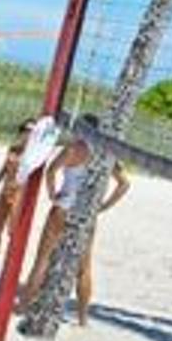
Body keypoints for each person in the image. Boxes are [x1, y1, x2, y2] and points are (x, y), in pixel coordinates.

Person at [15, 118, 130, 327]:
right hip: (86, 213)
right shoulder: (106, 154)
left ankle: (23, 307)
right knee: (83, 268)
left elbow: (51, 171)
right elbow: (124, 184)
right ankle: (82, 319)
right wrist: (103, 206)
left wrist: (52, 194)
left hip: (63, 207)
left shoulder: (72, 149)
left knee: (43, 259)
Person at [0, 119, 35, 273]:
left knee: (13, 231)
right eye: (25, 130)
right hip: (5, 192)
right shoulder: (13, 149)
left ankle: (9, 266)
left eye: (31, 131)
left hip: (19, 195)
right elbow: (3, 170)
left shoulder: (33, 155)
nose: (27, 133)